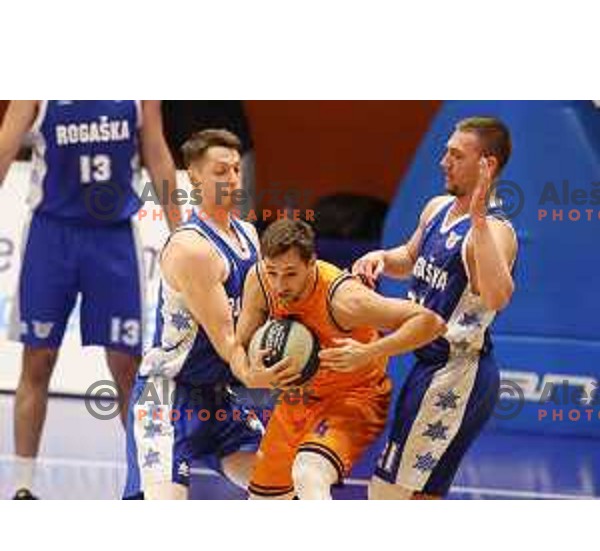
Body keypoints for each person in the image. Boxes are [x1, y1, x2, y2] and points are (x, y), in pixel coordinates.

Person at [0, 100, 178, 500]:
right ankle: (24, 485)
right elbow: (4, 150)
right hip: (52, 233)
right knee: (38, 359)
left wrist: (180, 231)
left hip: (112, 237)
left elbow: (158, 155)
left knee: (127, 366)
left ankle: (143, 484)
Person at [352, 116, 518, 499]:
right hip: (430, 368)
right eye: (446, 152)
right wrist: (380, 257)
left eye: (456, 155)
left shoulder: (494, 232)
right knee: (417, 496)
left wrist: (477, 221)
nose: (444, 161)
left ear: (486, 165)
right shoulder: (437, 208)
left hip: (457, 374)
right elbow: (409, 256)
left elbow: (498, 297)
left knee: (387, 494)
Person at [230, 219, 446, 500]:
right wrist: (250, 374)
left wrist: (369, 352)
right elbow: (238, 344)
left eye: (290, 274)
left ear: (311, 264)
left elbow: (431, 322)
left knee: (309, 474)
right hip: (296, 400)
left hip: (353, 397)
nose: (279, 284)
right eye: (273, 272)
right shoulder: (260, 281)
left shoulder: (344, 300)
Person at [123, 128, 268, 500]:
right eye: (221, 171)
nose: (233, 179)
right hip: (168, 396)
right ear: (195, 177)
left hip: (218, 397)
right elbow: (226, 342)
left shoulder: (249, 235)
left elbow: (264, 311)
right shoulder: (193, 248)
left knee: (283, 487)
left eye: (236, 169)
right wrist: (266, 375)